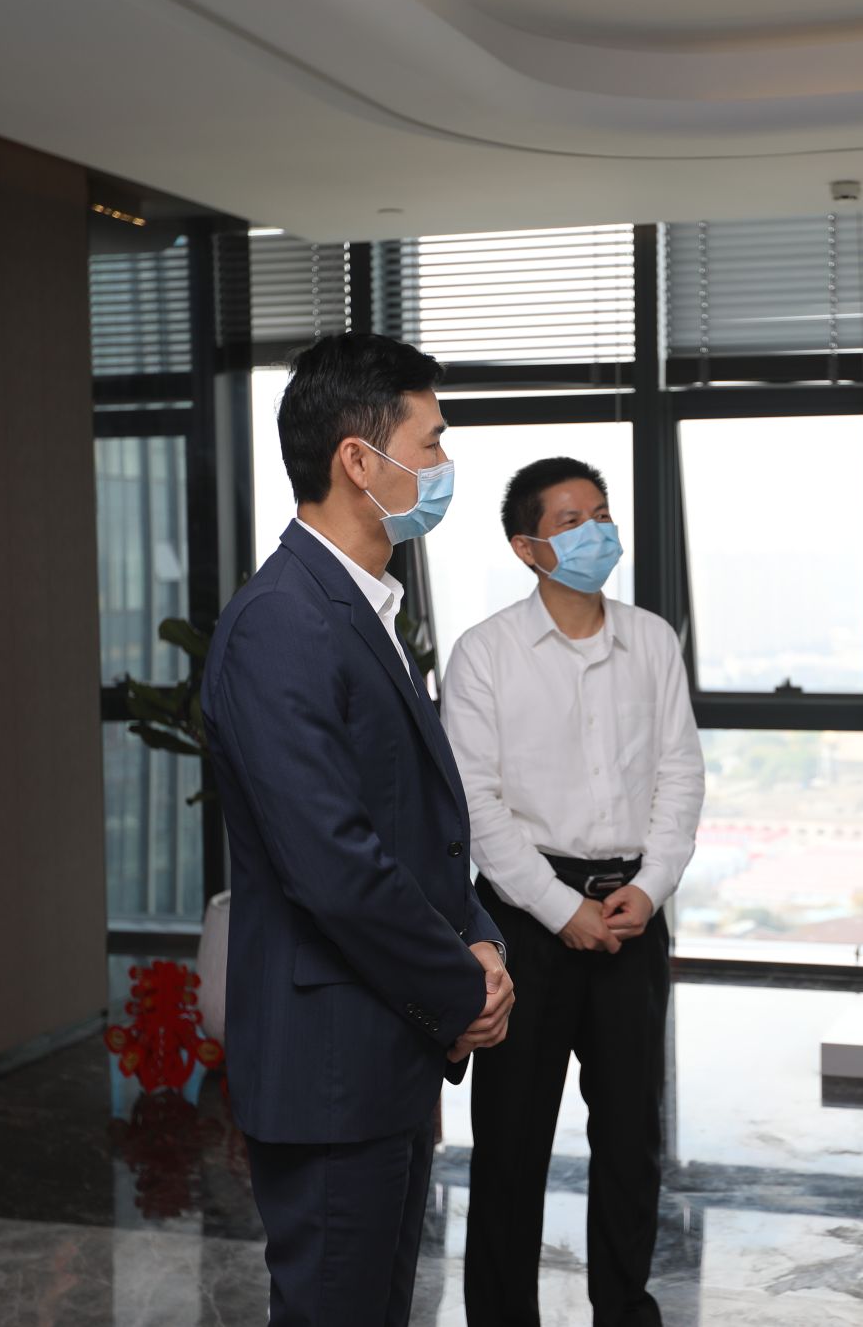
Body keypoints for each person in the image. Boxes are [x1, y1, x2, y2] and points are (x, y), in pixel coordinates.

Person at [202, 331, 516, 1327]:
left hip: (381, 1053)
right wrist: (460, 985)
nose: (443, 465)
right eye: (430, 442)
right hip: (330, 1067)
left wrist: (478, 936)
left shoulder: (360, 606)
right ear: (358, 460)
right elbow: (333, 863)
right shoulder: (282, 621)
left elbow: (412, 828)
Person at [442, 456, 705, 1327]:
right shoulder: (486, 653)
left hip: (632, 911)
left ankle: (624, 1310)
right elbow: (476, 806)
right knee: (511, 1139)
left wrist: (652, 887)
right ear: (527, 547)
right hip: (524, 918)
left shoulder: (652, 640)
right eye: (570, 521)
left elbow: (681, 775)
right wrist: (561, 910)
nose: (596, 531)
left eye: (601, 513)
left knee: (632, 1139)